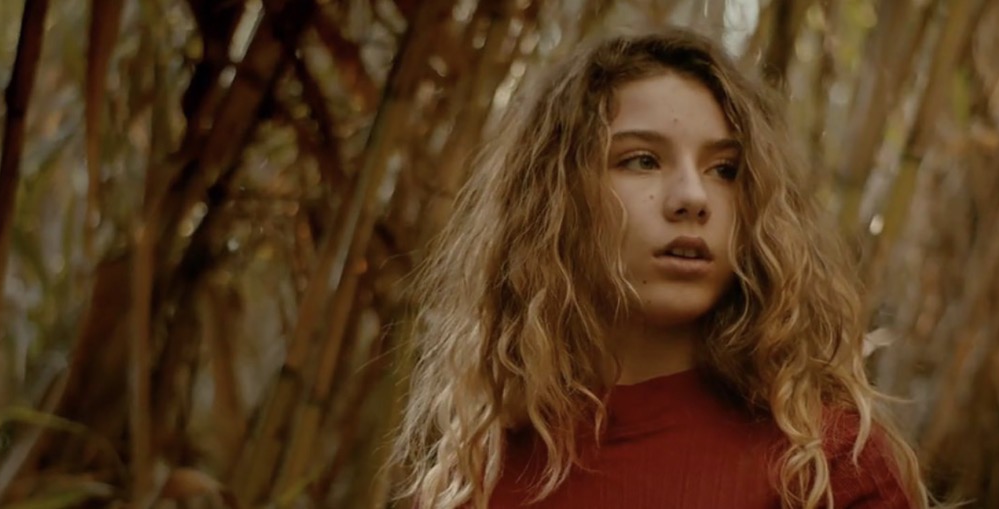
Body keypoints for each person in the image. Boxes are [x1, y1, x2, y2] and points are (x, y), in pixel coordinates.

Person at [389, 27, 929, 508]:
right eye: (642, 160)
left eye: (725, 169)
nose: (693, 197)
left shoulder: (822, 466)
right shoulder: (475, 475)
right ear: (557, 201)